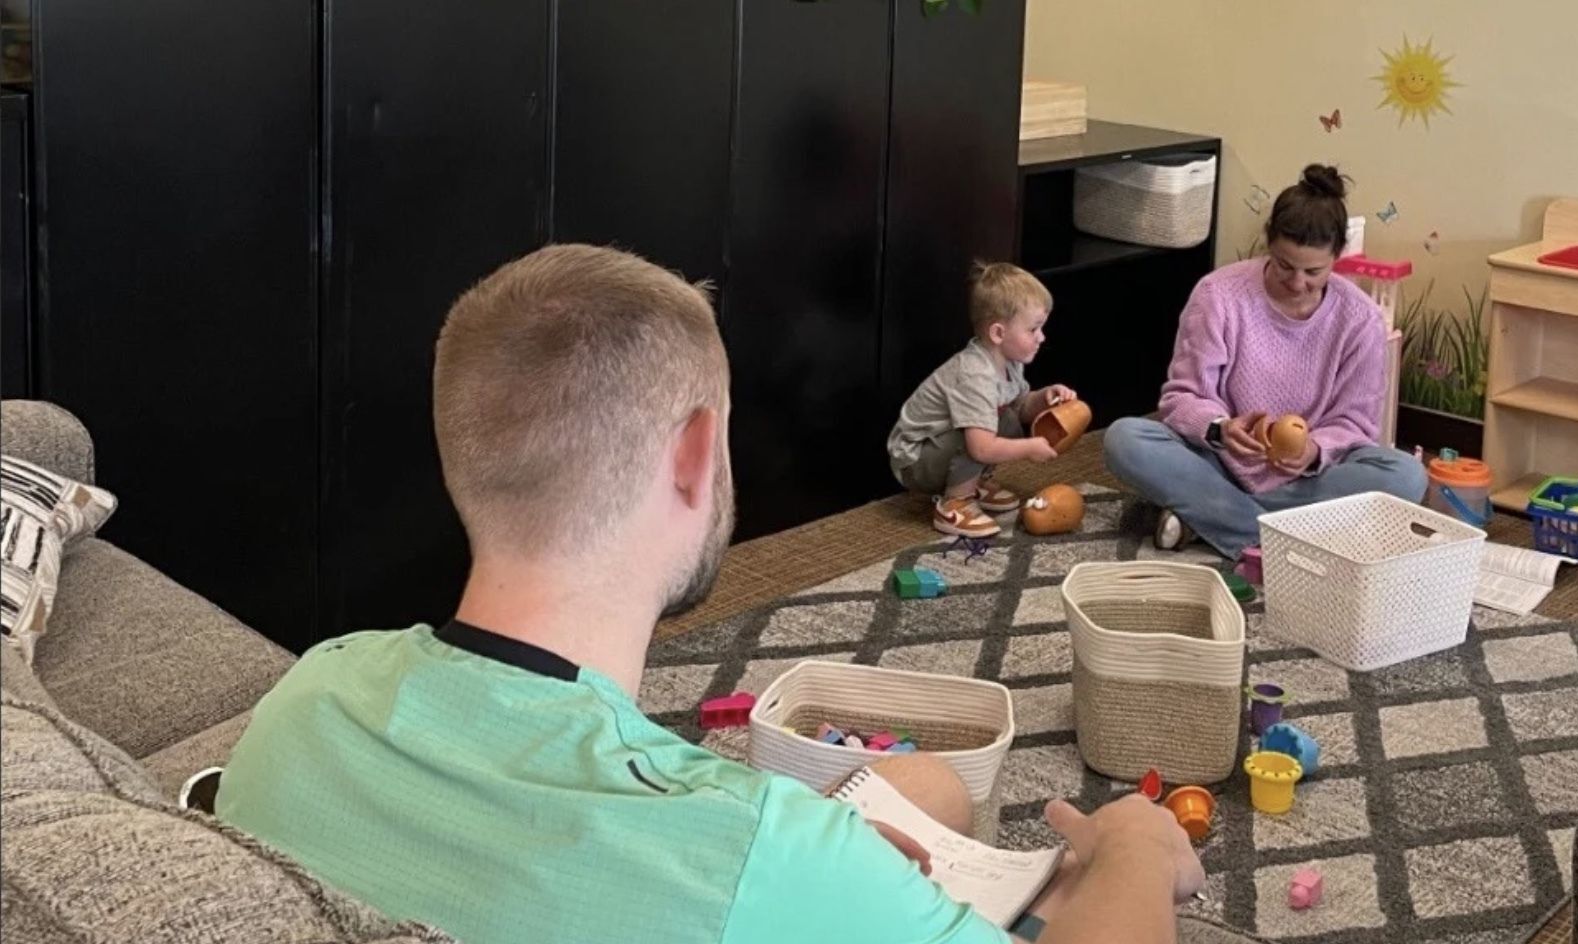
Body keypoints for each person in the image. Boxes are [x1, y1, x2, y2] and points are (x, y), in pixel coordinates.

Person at [215, 245, 1202, 944]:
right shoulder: (756, 850)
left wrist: (814, 849)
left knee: (931, 788)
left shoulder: (309, 694)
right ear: (694, 453)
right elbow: (731, 854)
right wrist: (1136, 847)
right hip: (753, 870)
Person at [1103, 164, 1427, 558]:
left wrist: (1313, 451)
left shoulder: (1360, 319)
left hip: (1310, 478)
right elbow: (1182, 397)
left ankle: (1211, 520)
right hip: (1218, 463)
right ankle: (1277, 538)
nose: (1297, 283)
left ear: (1337, 256)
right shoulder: (1218, 294)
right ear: (1269, 242)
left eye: (1314, 272)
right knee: (1124, 439)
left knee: (1407, 475)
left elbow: (1355, 424)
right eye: (1285, 265)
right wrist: (1221, 429)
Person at [887, 262, 1077, 539]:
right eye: (1033, 329)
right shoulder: (975, 375)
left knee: (1005, 417)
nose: (1042, 337)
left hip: (943, 446)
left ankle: (972, 482)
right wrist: (1028, 447)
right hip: (915, 462)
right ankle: (955, 503)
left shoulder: (1008, 361)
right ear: (998, 333)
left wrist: (1045, 398)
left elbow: (1018, 407)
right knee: (978, 436)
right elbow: (981, 448)